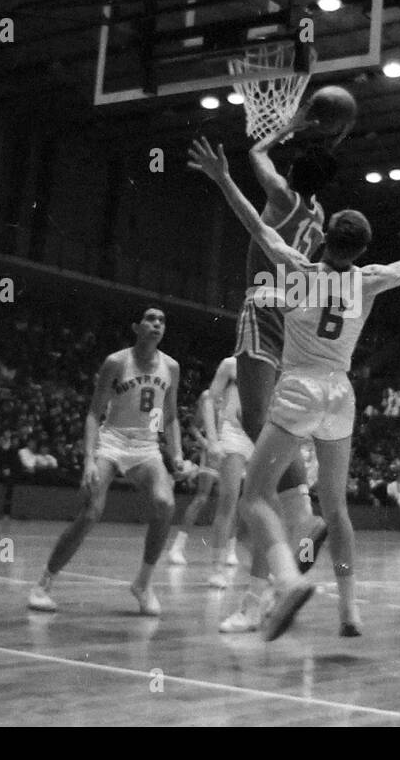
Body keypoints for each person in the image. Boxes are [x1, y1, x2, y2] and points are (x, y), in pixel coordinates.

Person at [187, 135, 400, 640]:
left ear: (324, 237)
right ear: (362, 248)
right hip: (341, 397)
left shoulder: (302, 271)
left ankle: (286, 580)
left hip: (301, 389)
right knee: (336, 509)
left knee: (254, 496)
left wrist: (222, 178)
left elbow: (256, 225)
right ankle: (350, 610)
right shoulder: (368, 280)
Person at [218, 109, 338, 632]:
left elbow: (255, 155)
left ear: (292, 177)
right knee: (269, 423)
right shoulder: (320, 213)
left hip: (262, 309)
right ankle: (302, 515)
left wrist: (290, 126)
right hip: (292, 319)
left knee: (255, 425)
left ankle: (298, 517)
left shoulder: (285, 199)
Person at [27, 308, 186, 617]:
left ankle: (143, 584)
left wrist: (176, 452)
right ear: (136, 327)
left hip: (147, 446)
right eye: (150, 319)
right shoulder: (116, 362)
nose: (157, 324)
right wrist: (89, 460)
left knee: (165, 504)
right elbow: (93, 413)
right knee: (91, 512)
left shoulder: (172, 367)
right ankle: (43, 584)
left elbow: (171, 416)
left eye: (162, 321)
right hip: (111, 441)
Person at [165, 387, 238, 586]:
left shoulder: (240, 393)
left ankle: (231, 552)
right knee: (202, 498)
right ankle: (177, 548)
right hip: (214, 453)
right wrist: (207, 443)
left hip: (235, 451)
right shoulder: (207, 396)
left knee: (232, 501)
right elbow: (194, 427)